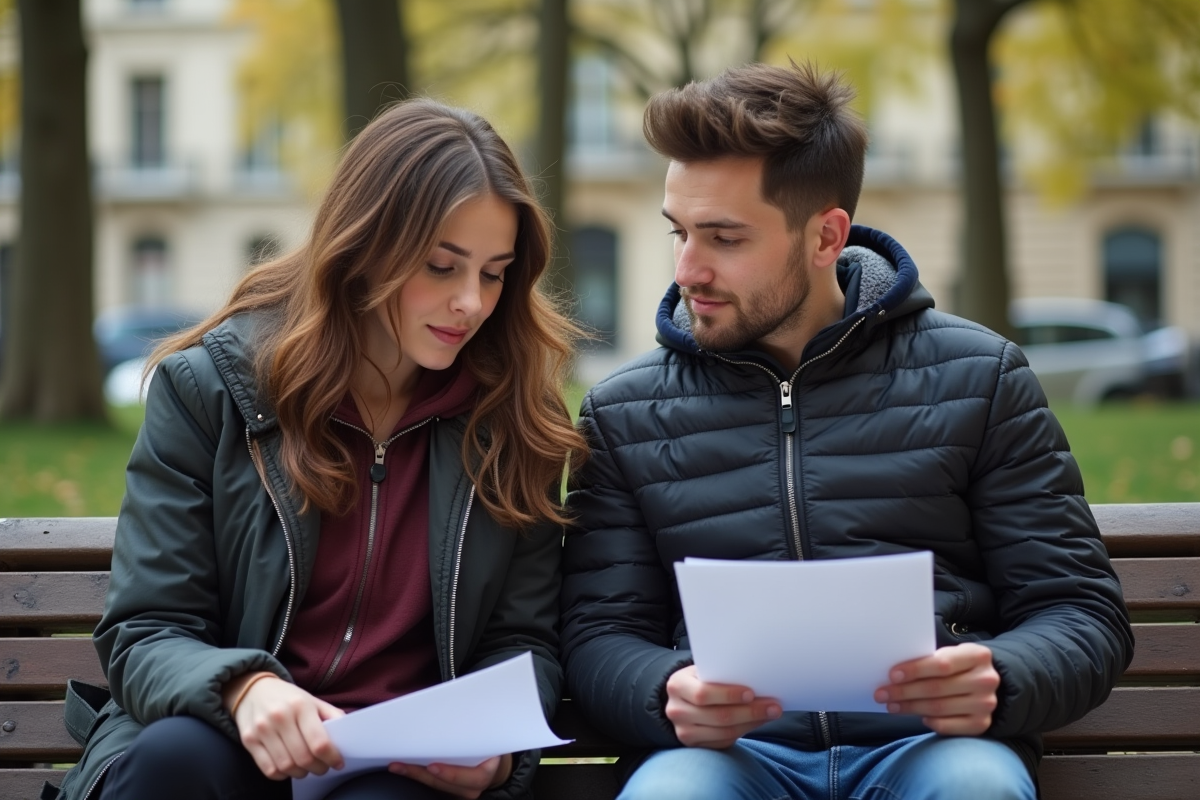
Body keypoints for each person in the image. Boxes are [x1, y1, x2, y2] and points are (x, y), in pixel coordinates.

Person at [560, 62, 1133, 800]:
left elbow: (1080, 612)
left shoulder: (980, 376)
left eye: (724, 238)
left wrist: (1003, 676)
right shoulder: (622, 411)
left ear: (826, 235)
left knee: (975, 790)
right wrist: (662, 687)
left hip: (932, 749)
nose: (688, 268)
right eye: (679, 233)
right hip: (725, 760)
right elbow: (597, 634)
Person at [53, 99, 586, 800]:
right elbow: (147, 629)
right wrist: (243, 688)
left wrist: (498, 752)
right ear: (365, 247)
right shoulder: (212, 389)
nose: (471, 303)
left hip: (396, 767)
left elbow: (523, 642)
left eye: (493, 273)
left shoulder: (515, 418)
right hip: (221, 737)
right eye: (440, 265)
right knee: (176, 762)